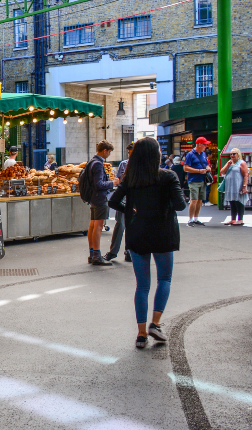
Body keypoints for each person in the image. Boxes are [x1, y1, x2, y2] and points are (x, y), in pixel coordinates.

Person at [109, 137, 186, 348]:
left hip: (138, 233)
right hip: (163, 233)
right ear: (157, 154)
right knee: (165, 279)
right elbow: (180, 205)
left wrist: (132, 211)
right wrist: (165, 206)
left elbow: (113, 201)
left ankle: (141, 334)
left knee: (142, 286)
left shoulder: (130, 178)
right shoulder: (168, 176)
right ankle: (156, 323)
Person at [82, 140, 119, 265]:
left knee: (92, 225)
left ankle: (92, 254)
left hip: (93, 198)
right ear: (105, 151)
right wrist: (113, 183)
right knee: (98, 226)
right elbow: (99, 184)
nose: (109, 154)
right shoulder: (98, 164)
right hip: (99, 198)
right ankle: (97, 255)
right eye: (109, 152)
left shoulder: (91, 162)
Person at [106, 142, 134, 262]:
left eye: (131, 153)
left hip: (135, 197)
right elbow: (119, 181)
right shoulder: (124, 164)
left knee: (132, 226)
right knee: (120, 224)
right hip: (124, 196)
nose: (129, 155)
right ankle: (113, 252)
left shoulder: (142, 165)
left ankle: (129, 251)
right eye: (128, 153)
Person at [183, 137, 213, 226]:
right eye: (205, 144)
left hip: (202, 180)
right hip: (193, 180)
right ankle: (190, 219)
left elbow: (206, 164)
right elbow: (185, 168)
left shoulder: (203, 154)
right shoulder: (190, 154)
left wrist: (207, 168)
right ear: (199, 144)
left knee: (200, 200)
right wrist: (199, 171)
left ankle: (196, 218)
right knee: (194, 199)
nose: (206, 146)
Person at [220, 148, 249, 226]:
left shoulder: (241, 163)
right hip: (230, 185)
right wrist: (227, 165)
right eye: (231, 154)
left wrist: (244, 186)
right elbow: (222, 172)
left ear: (238, 154)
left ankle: (240, 219)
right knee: (232, 201)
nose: (232, 155)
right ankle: (233, 219)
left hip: (238, 184)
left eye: (234, 154)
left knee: (239, 201)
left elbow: (246, 175)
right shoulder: (229, 163)